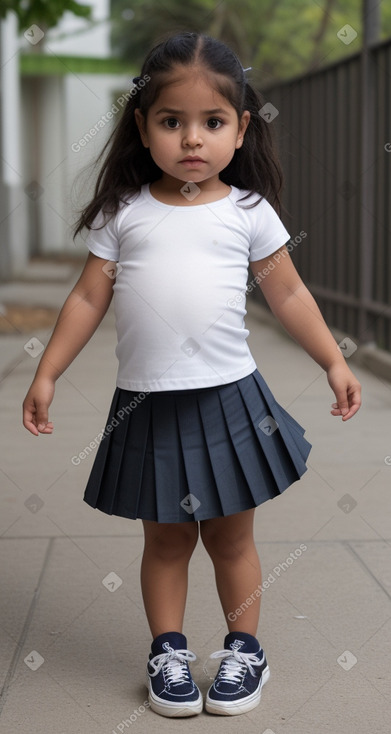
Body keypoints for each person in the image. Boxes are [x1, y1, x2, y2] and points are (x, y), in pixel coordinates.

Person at [22, 31, 361, 719]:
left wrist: (332, 358)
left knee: (231, 536)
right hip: (146, 407)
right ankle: (168, 651)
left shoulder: (247, 212)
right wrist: (48, 372)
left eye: (211, 122)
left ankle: (243, 650)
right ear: (142, 127)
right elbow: (88, 298)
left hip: (231, 401)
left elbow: (287, 294)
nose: (191, 139)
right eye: (171, 121)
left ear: (240, 128)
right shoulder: (123, 214)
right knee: (166, 539)